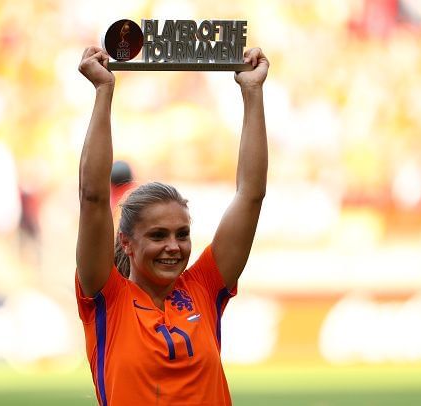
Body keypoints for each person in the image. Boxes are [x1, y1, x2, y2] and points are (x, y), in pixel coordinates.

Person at [76, 45, 269, 405]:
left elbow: (250, 195)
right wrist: (103, 92)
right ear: (127, 242)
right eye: (158, 235)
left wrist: (252, 93)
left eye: (182, 234)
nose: (174, 246)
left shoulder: (205, 287)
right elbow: (93, 198)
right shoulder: (107, 298)